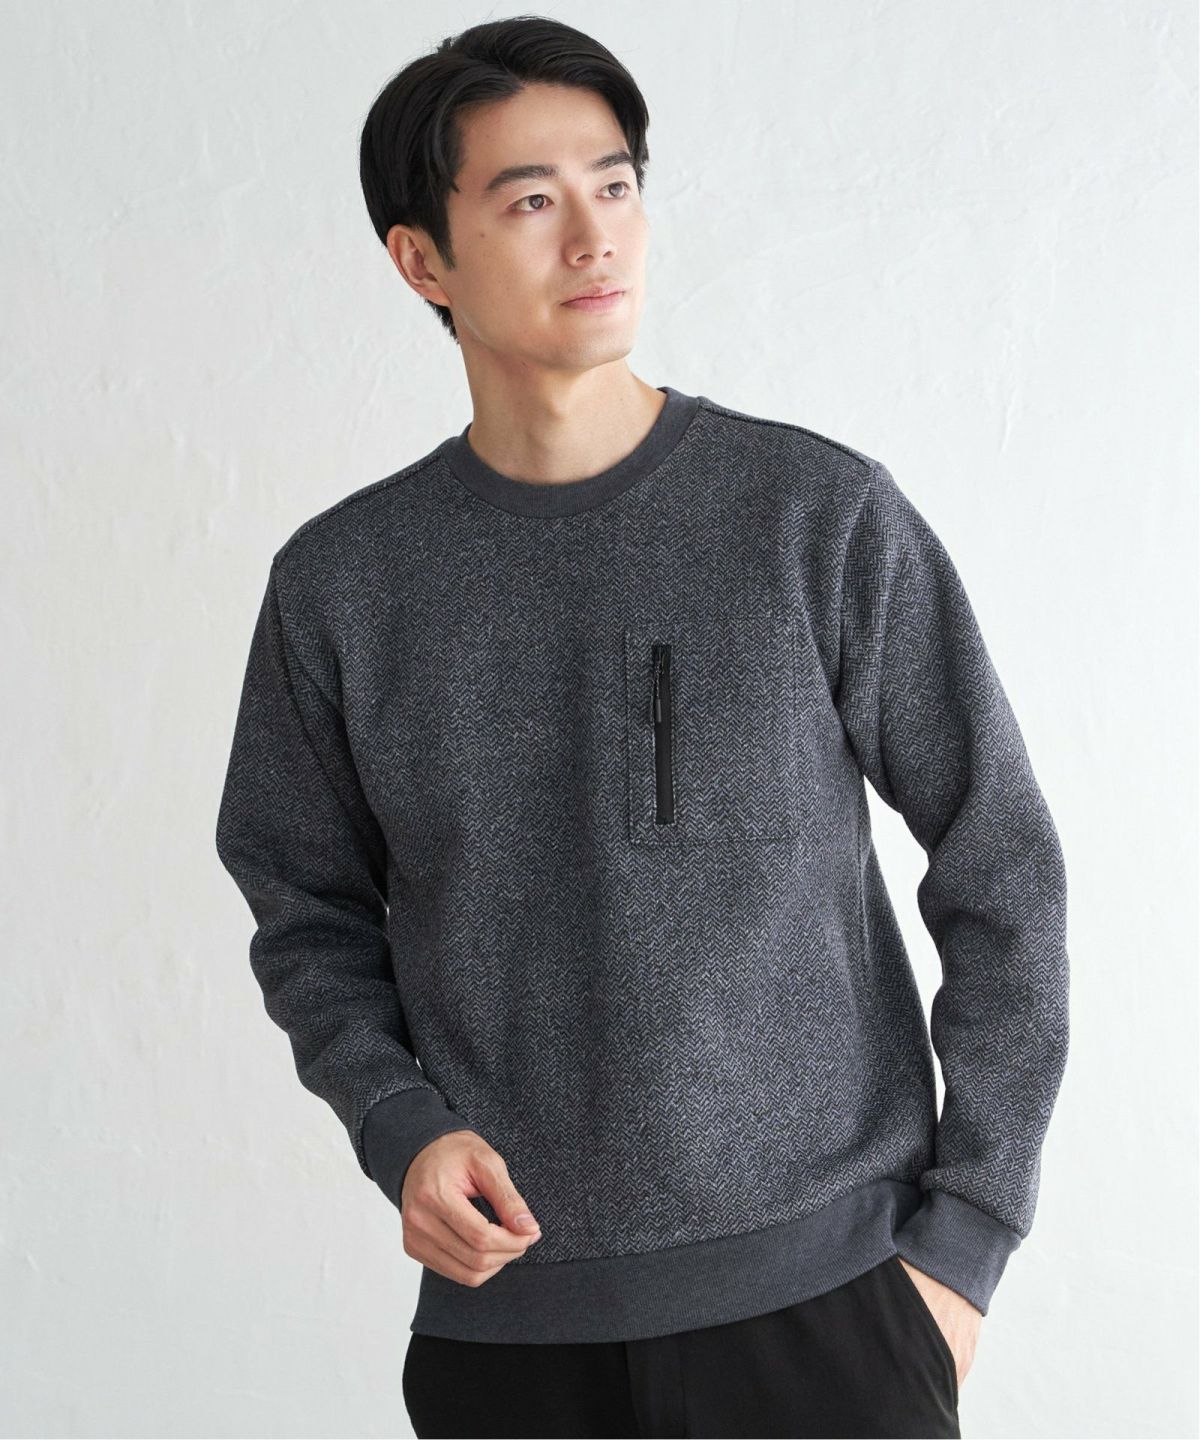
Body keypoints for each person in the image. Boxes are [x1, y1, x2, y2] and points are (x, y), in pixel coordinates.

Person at [214, 15, 1070, 1438]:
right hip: (514, 1341)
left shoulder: (815, 517)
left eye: (614, 185)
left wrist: (966, 1244)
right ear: (422, 260)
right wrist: (399, 1126)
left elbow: (1004, 863)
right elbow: (303, 908)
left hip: (834, 1314)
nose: (594, 235)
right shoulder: (343, 585)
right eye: (529, 200)